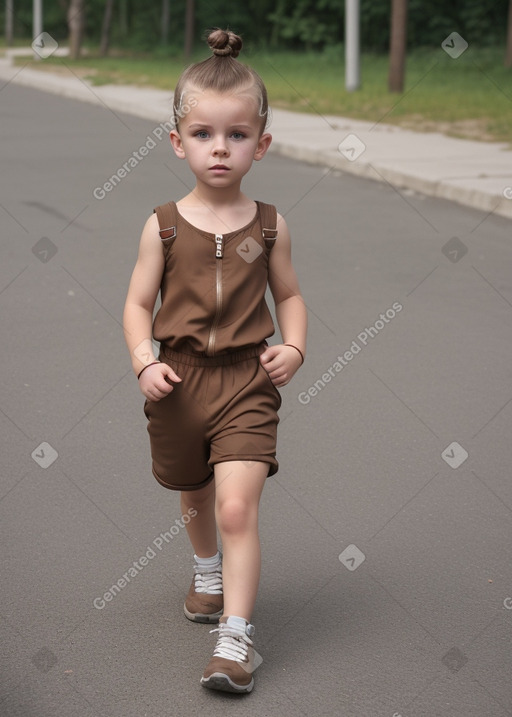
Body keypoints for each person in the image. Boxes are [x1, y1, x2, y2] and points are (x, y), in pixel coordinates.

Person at [123, 27, 307, 694]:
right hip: (177, 379)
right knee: (192, 489)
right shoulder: (164, 225)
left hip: (245, 381)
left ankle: (235, 637)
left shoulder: (269, 226)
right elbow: (138, 304)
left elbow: (288, 294)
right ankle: (207, 570)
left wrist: (292, 344)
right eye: (203, 134)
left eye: (235, 135)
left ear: (261, 144)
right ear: (178, 143)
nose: (219, 148)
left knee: (237, 507)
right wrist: (144, 360)